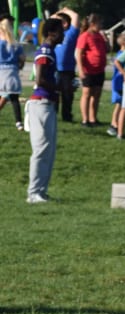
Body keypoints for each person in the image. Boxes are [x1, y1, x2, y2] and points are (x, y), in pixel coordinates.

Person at [26, 16, 63, 203]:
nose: (63, 34)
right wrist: (61, 88)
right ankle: (34, 193)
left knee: (49, 150)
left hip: (47, 104)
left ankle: (41, 190)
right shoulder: (45, 51)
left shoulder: (51, 51)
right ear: (51, 33)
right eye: (61, 31)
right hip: (40, 104)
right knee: (41, 149)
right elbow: (39, 80)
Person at [73, 13, 106, 128]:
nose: (101, 26)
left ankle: (93, 118)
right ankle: (85, 119)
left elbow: (106, 49)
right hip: (88, 70)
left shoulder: (99, 36)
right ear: (92, 24)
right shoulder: (85, 36)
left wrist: (106, 40)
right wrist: (81, 69)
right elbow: (78, 53)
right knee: (86, 94)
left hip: (99, 70)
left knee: (96, 94)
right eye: (99, 23)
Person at [52, 7, 77, 123]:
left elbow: (76, 17)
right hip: (54, 68)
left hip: (67, 69)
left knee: (67, 94)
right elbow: (50, 20)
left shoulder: (71, 33)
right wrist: (58, 13)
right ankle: (53, 113)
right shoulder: (54, 33)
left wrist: (66, 10)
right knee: (54, 92)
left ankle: (67, 116)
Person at [0, 15, 24, 130]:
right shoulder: (15, 43)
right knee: (14, 98)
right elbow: (22, 58)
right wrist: (19, 66)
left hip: (1, 71)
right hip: (12, 71)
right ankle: (19, 122)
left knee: (3, 94)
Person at [106, 29, 125, 137]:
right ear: (124, 43)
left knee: (121, 104)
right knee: (119, 105)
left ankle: (116, 124)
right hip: (119, 83)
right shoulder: (121, 55)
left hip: (121, 83)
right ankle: (113, 124)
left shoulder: (124, 54)